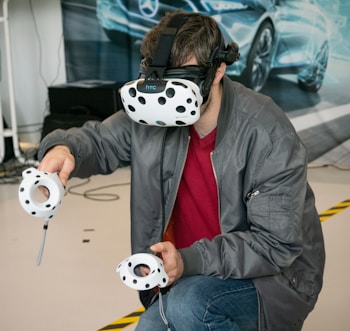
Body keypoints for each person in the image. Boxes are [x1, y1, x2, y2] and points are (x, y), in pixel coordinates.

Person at [37, 11, 325, 331]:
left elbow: (275, 245)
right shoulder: (153, 117)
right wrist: (64, 148)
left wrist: (189, 261)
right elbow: (99, 140)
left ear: (217, 71)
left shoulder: (266, 132)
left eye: (181, 80)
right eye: (159, 79)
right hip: (183, 274)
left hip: (271, 281)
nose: (164, 95)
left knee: (189, 305)